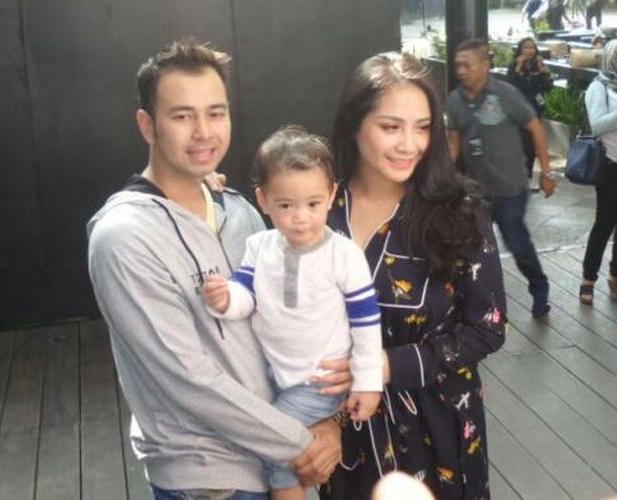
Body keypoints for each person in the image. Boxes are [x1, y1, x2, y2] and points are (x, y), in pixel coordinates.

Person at [87, 40, 346, 499]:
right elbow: (188, 380)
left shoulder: (238, 210)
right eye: (182, 116)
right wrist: (304, 443)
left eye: (216, 112)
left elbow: (287, 325)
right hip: (209, 481)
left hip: (277, 461)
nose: (204, 131)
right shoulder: (124, 237)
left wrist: (327, 417)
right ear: (147, 125)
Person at [320, 52, 507, 499]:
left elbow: (488, 327)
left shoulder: (459, 211)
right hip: (346, 427)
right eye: (391, 127)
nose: (409, 144)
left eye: (422, 127)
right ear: (354, 123)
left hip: (438, 429)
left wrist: (388, 365)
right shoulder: (320, 208)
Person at [202, 125, 383, 500]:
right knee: (279, 445)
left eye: (313, 204)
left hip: (319, 381)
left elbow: (366, 323)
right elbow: (245, 295)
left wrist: (368, 382)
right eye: (286, 205)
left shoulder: (343, 255)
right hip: (275, 375)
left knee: (277, 447)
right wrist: (225, 299)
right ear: (263, 200)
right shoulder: (259, 247)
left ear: (331, 195)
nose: (301, 217)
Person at [448, 38, 555, 319]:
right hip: (476, 191)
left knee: (517, 243)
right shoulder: (456, 100)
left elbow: (536, 128)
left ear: (485, 65)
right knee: (471, 248)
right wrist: (445, 176)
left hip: (510, 189)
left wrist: (546, 173)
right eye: (458, 65)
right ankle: (475, 304)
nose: (461, 71)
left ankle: (539, 287)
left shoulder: (505, 94)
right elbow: (453, 143)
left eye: (467, 65)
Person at [579, 40, 617, 305]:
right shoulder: (599, 87)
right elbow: (597, 125)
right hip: (610, 165)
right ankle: (588, 278)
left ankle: (615, 275)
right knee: (604, 223)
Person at [507, 37, 554, 184]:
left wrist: (542, 70)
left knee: (531, 146)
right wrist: (518, 67)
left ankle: (527, 177)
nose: (529, 51)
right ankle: (517, 176)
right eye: (526, 47)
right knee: (520, 143)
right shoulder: (514, 65)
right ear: (520, 50)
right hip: (518, 110)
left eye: (532, 47)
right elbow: (511, 85)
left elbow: (547, 87)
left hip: (534, 109)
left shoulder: (537, 66)